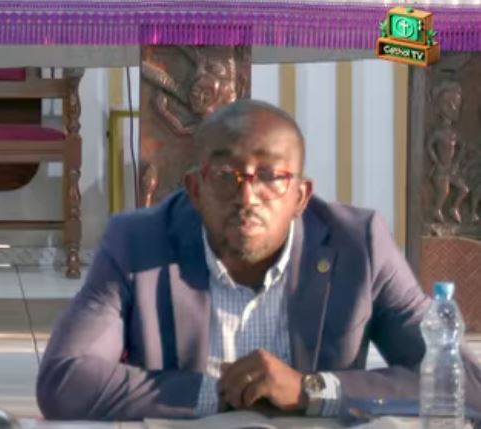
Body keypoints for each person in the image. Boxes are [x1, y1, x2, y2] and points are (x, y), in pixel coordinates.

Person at [36, 99, 481, 420]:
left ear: (301, 196)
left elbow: (467, 384)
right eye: (225, 175)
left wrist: (310, 390)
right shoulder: (138, 242)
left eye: (270, 176)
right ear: (194, 190)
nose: (247, 197)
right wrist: (220, 393)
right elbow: (63, 381)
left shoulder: (358, 245)